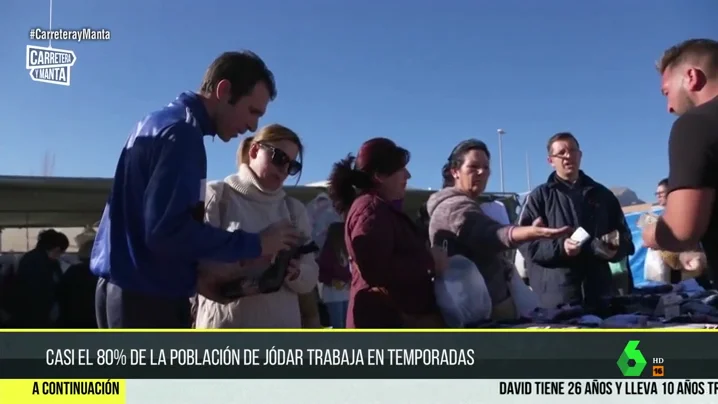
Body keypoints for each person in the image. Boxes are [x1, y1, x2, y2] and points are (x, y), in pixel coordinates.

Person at [91, 51, 300, 328]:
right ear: (224, 91)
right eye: (252, 111)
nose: (253, 126)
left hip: (123, 291)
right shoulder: (183, 136)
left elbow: (149, 229)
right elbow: (167, 232)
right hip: (148, 300)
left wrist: (195, 277)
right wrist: (257, 243)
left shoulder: (155, 122)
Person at [426, 139, 570, 321]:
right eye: (473, 167)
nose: (482, 172)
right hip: (479, 316)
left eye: (486, 167)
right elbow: (487, 234)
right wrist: (527, 233)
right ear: (455, 171)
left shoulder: (466, 203)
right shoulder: (453, 207)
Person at [194, 124, 319, 328]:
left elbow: (311, 276)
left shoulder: (294, 210)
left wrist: (297, 273)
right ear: (254, 150)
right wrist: (260, 246)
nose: (284, 170)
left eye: (292, 166)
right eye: (279, 158)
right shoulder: (217, 197)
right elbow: (199, 268)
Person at [327, 138, 449, 328]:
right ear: (379, 176)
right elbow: (375, 269)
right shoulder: (371, 210)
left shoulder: (379, 210)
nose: (407, 175)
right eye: (401, 169)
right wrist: (429, 260)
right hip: (384, 331)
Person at [519, 132, 635, 308]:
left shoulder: (603, 196)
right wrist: (561, 248)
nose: (568, 156)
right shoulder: (538, 198)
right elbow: (526, 245)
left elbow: (626, 239)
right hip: (556, 300)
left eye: (572, 151)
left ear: (580, 155)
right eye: (561, 153)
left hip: (599, 296)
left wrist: (614, 249)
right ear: (550, 161)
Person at [642, 39, 718, 285]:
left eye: (667, 92)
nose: (669, 107)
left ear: (691, 77)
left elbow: (681, 231)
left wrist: (651, 234)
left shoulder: (695, 125)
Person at [11, 229, 69, 328]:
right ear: (56, 249)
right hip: (37, 314)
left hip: (27, 312)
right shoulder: (43, 263)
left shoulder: (30, 258)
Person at [58, 240, 98, 328]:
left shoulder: (72, 271)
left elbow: (60, 294)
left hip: (70, 320)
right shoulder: (101, 274)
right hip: (93, 321)